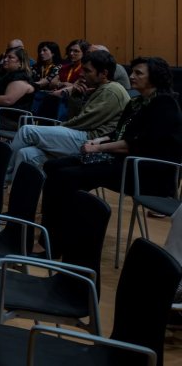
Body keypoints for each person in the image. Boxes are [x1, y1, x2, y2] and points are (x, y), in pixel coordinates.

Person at [41, 56, 182, 257]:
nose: (132, 76)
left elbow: (138, 144)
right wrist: (98, 141)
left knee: (65, 177)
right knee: (54, 167)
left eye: (138, 73)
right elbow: (119, 133)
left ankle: (54, 245)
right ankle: (59, 234)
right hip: (124, 161)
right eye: (132, 72)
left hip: (147, 172)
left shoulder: (164, 104)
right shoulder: (137, 102)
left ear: (155, 78)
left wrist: (98, 148)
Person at [8, 49, 130, 178]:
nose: (82, 74)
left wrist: (59, 127)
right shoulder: (99, 88)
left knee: (26, 131)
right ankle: (19, 188)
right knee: (26, 153)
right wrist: (76, 96)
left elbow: (83, 122)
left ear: (104, 73)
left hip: (91, 140)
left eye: (87, 71)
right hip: (81, 135)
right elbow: (76, 118)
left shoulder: (112, 91)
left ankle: (2, 178)